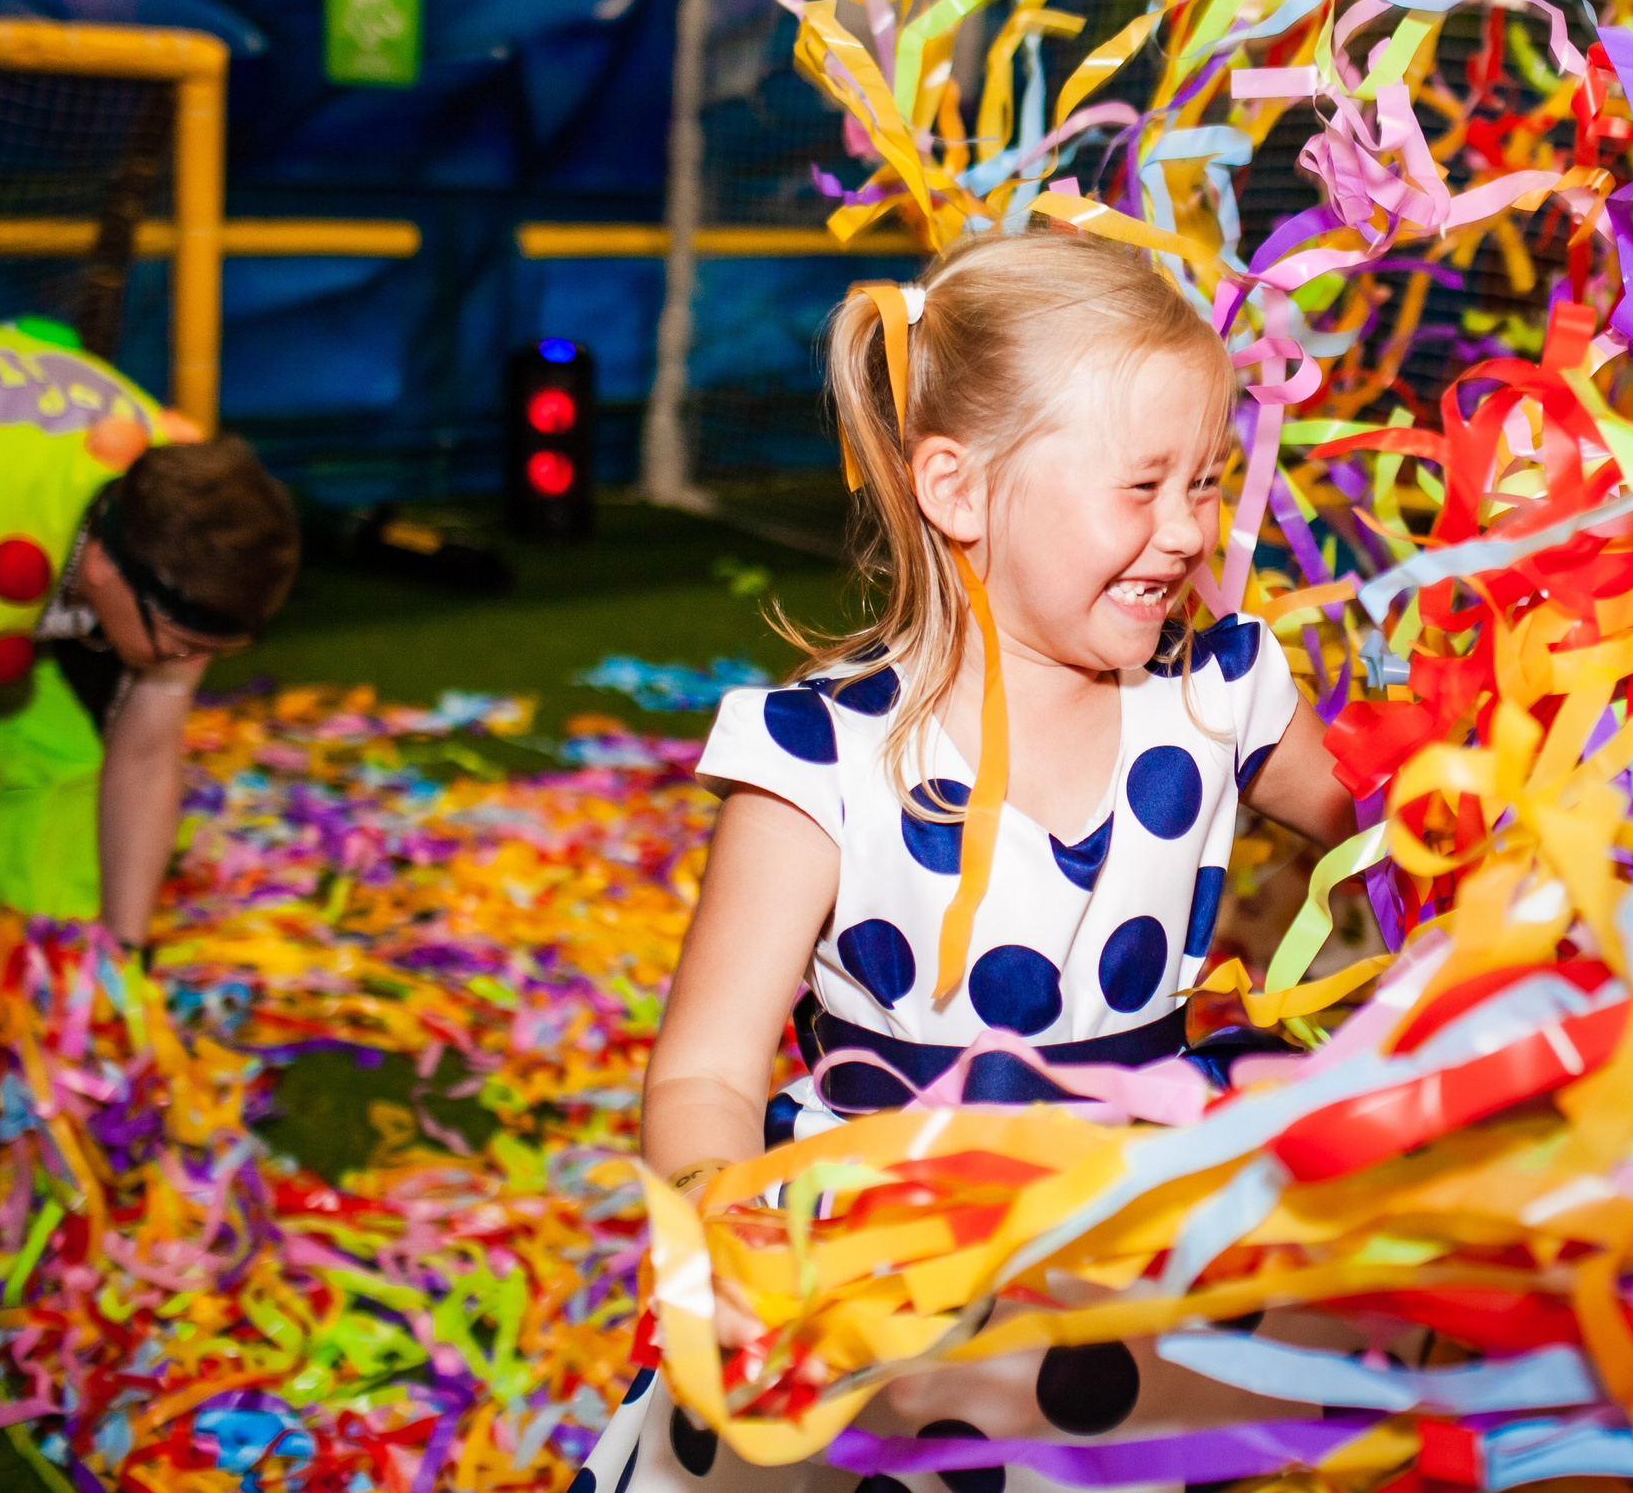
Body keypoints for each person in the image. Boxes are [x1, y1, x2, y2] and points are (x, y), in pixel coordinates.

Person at [577, 225, 1358, 1493]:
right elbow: (709, 1067)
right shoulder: (820, 759)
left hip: (1127, 1251)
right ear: (957, 490)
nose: (1183, 532)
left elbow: (1396, 835)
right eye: (1142, 484)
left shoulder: (1222, 700)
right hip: (884, 1271)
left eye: (1204, 484)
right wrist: (722, 1229)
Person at [0, 313, 299, 997]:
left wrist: (120, 962)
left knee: (72, 762)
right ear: (103, 567)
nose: (188, 663)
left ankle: (29, 942)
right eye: (185, 646)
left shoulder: (182, 522)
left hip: (32, 517)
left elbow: (146, 751)